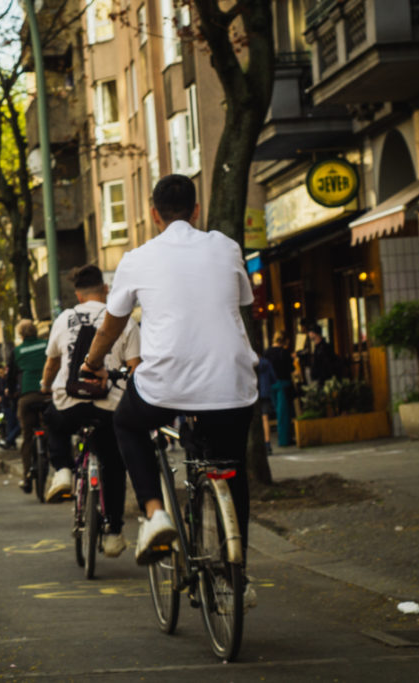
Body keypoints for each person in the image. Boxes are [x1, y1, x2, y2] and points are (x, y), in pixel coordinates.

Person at [80, 175, 258, 606]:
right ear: (197, 211)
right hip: (232, 383)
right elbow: (244, 304)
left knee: (126, 423)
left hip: (166, 385)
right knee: (232, 468)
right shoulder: (227, 246)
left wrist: (90, 362)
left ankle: (155, 513)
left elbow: (113, 323)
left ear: (154, 214)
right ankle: (238, 574)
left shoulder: (137, 258)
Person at [39, 264, 140, 556]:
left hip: (70, 402)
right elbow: (135, 368)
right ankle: (113, 532)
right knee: (113, 462)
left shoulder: (64, 319)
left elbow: (52, 363)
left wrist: (46, 386)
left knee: (52, 419)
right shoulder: (123, 320)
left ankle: (62, 472)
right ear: (105, 290)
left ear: (78, 295)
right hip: (110, 406)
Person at [7, 319, 48, 493]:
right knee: (50, 430)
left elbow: (10, 376)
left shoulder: (17, 352)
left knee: (27, 437)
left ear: (21, 335)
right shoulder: (46, 345)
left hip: (27, 397)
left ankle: (26, 477)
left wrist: (11, 393)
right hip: (47, 394)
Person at [264, 330, 295, 447]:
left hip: (271, 385)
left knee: (279, 411)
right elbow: (291, 369)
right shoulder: (284, 352)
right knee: (284, 413)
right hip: (283, 383)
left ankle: (285, 438)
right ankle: (284, 440)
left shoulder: (267, 352)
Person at [256, 355, 278, 455]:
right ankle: (267, 444)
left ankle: (256, 444)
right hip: (265, 393)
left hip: (252, 394)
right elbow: (273, 378)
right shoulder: (266, 363)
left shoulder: (248, 362)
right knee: (265, 419)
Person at [0, 364, 19, 448]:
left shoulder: (7, 379)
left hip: (9, 403)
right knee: (11, 423)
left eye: (2, 372)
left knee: (12, 423)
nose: (1, 374)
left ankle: (10, 441)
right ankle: (10, 440)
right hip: (6, 404)